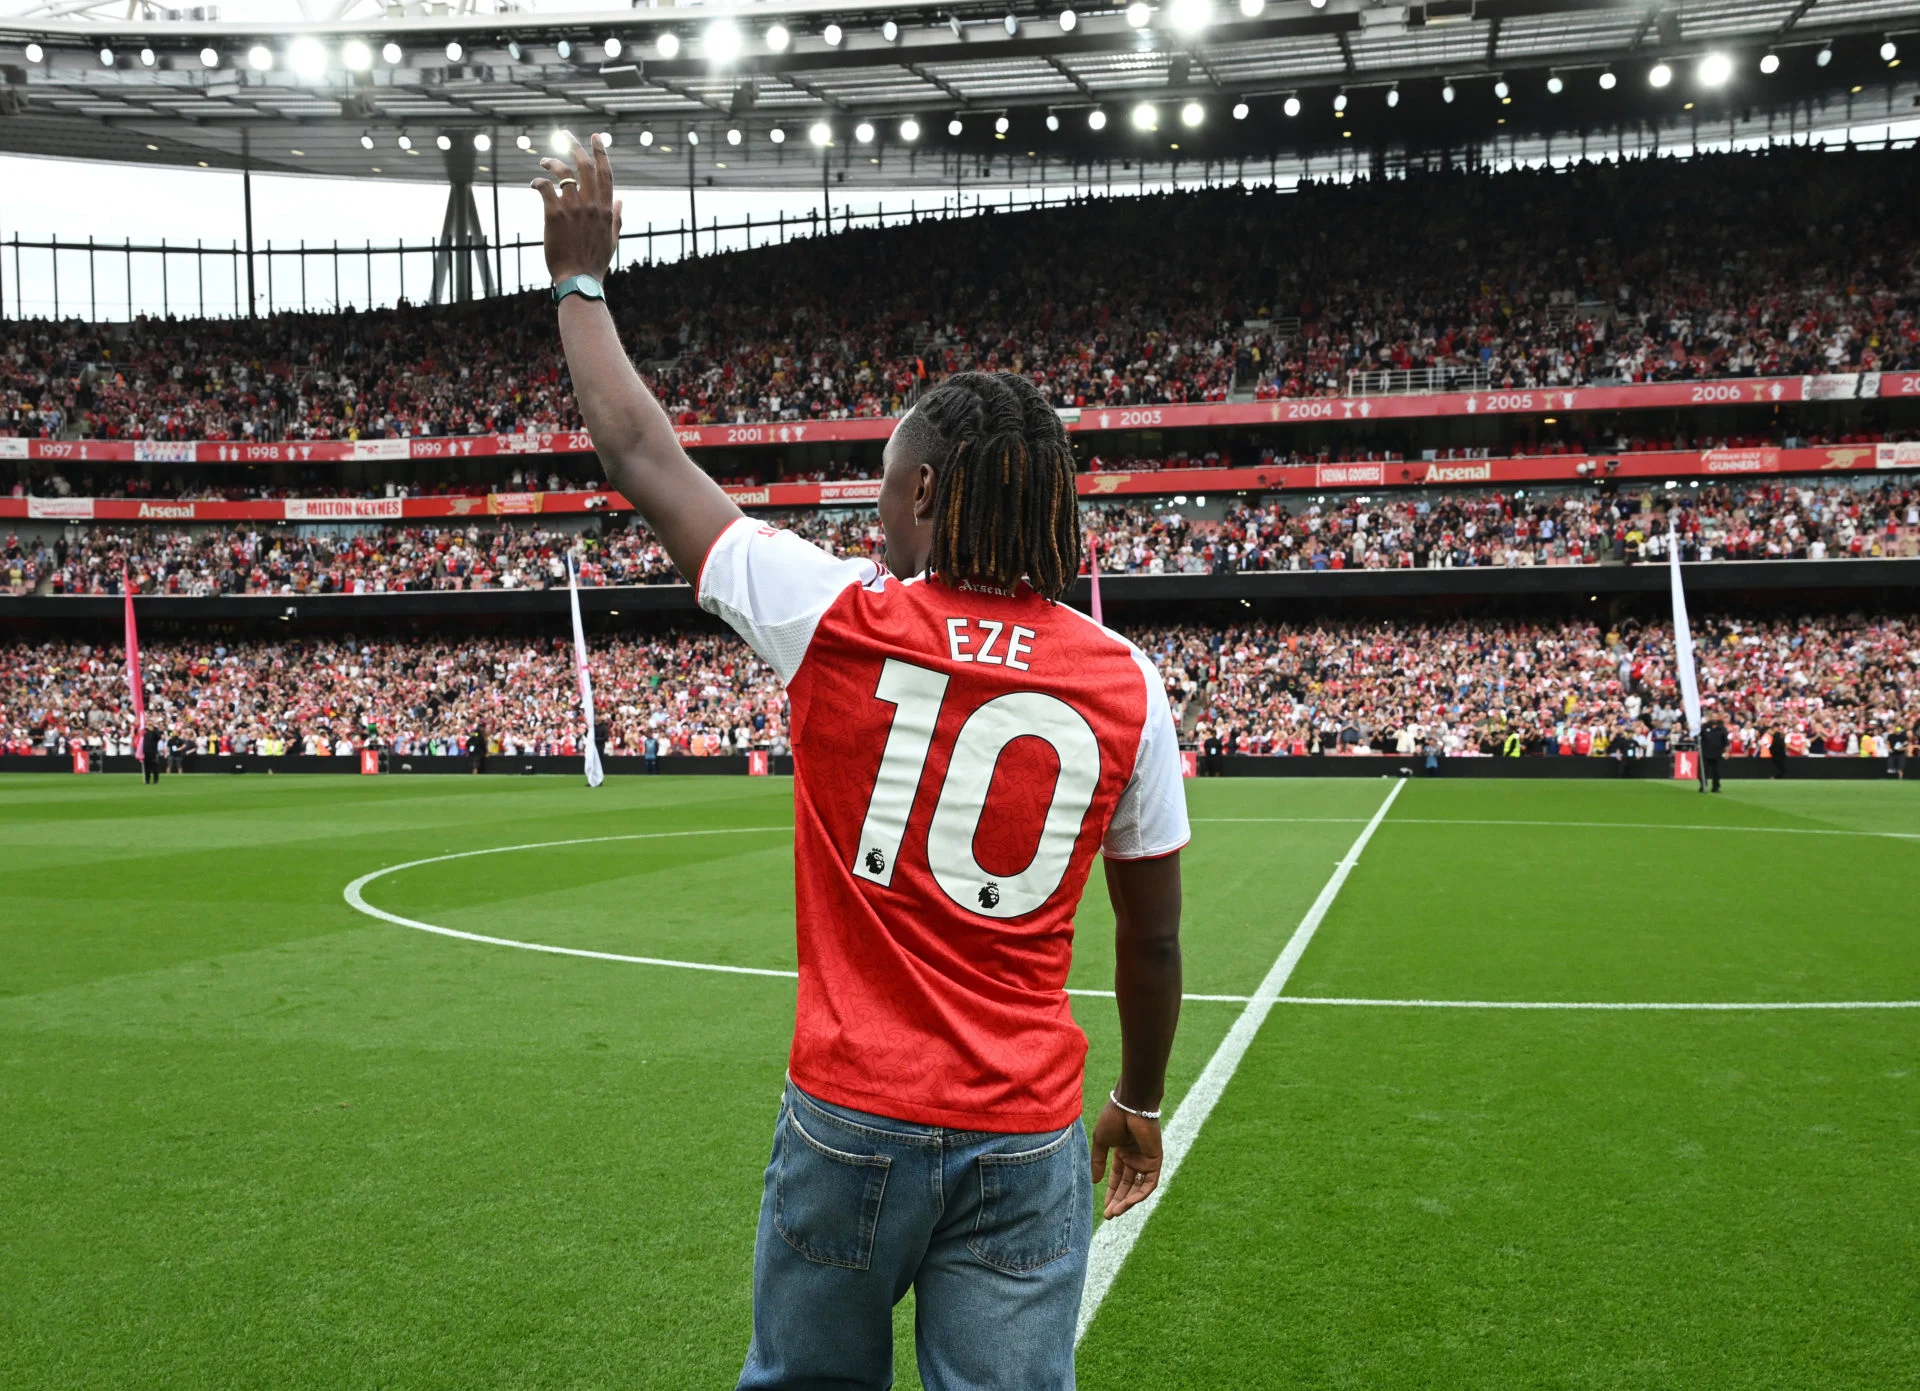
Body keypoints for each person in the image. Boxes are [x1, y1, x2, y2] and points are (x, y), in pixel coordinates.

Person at [535, 133, 1189, 1391]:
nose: (872, 508)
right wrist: (1143, 1097)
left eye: (886, 485)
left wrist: (581, 281)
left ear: (932, 489)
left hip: (852, 1113)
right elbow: (1151, 941)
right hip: (1022, 1126)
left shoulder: (834, 617)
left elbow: (638, 456)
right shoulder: (1126, 680)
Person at [1699, 713, 1728, 793]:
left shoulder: (1722, 728)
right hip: (1705, 753)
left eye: (1715, 717)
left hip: (1718, 753)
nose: (1714, 718)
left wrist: (1727, 752)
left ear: (1718, 718)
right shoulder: (1704, 727)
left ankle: (1716, 787)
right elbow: (1699, 737)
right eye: (1712, 717)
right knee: (1704, 771)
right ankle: (1703, 786)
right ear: (1710, 718)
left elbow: (1725, 742)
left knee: (1717, 772)